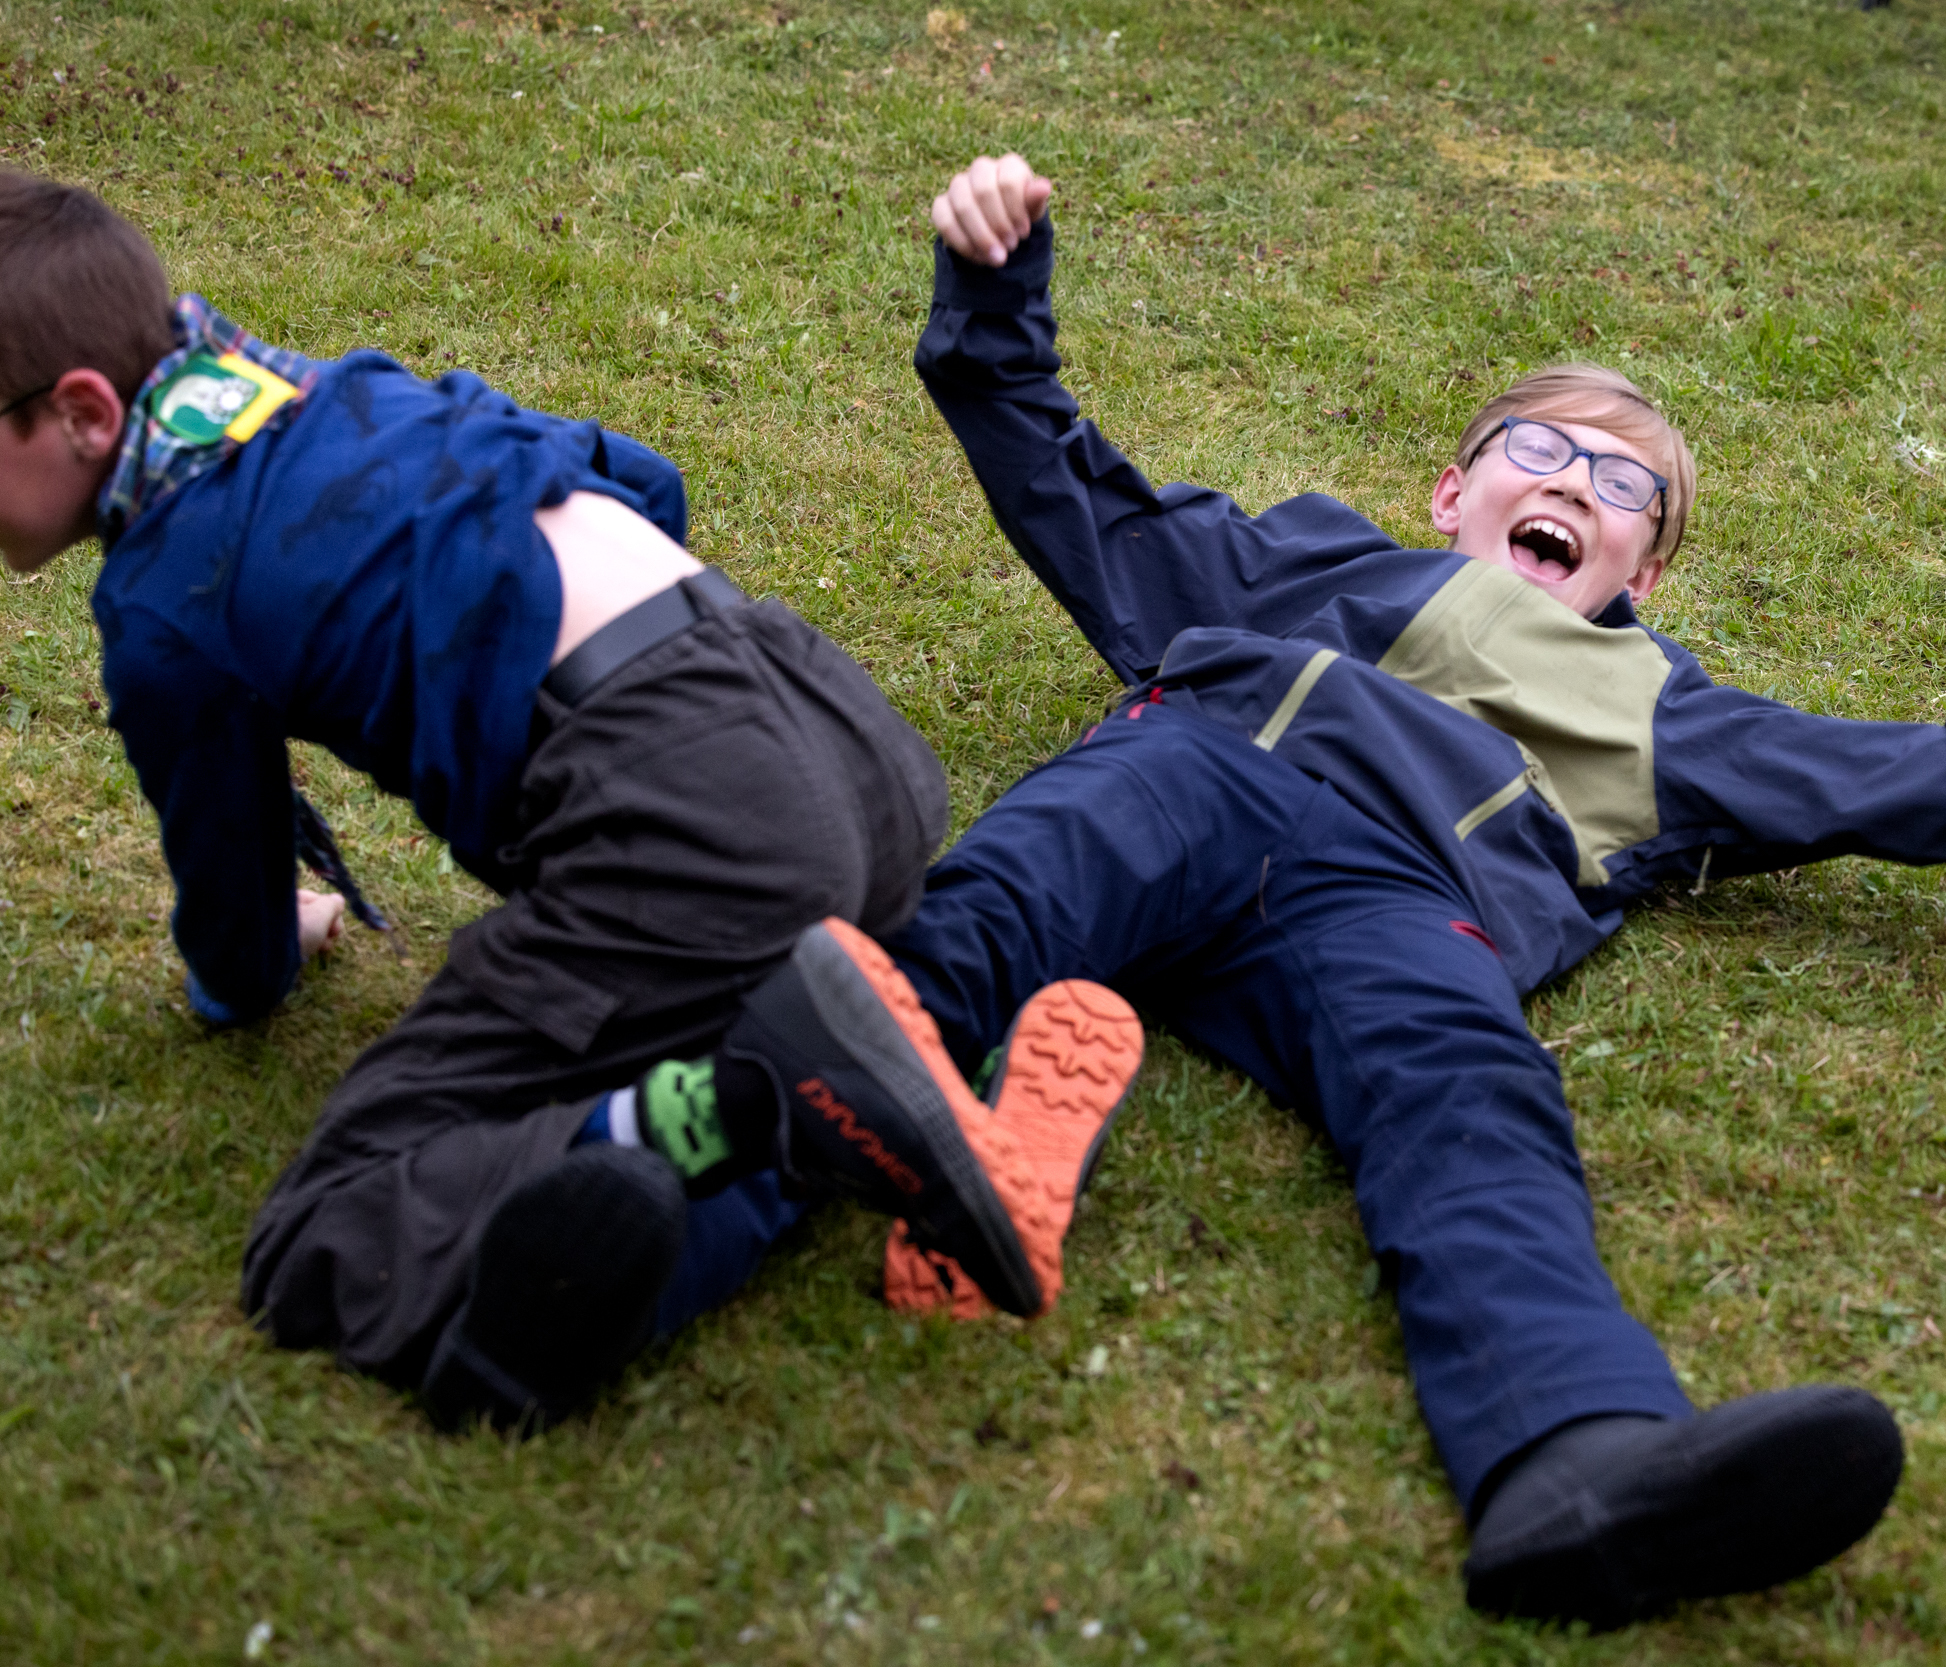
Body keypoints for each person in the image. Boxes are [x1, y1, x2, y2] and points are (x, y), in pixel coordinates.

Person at [884, 153, 1946, 1630]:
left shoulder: (1676, 715)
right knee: (1021, 893)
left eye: (1626, 490)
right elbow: (1061, 471)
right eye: (1536, 449)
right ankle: (757, 1112)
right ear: (1452, 488)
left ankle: (1573, 1460)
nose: (1573, 485)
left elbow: (1907, 772)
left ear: (1645, 572)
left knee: (1473, 1102)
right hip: (1215, 767)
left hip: (1411, 910)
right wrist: (993, 285)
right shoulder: (1297, 562)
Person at [0, 170, 1141, 1432]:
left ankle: (750, 1098)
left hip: (705, 818)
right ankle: (897, 1055)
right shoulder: (344, 388)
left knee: (330, 1228)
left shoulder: (163, 600)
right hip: (844, 731)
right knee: (749, 983)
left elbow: (233, 917)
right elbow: (637, 476)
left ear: (84, 412)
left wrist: (258, 955)